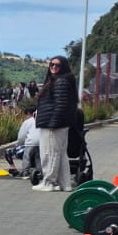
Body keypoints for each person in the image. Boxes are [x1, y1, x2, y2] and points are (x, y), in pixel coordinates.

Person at [33, 55, 77, 192]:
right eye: (51, 64)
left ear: (62, 67)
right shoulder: (62, 80)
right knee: (60, 154)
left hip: (53, 124)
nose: (53, 67)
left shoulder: (61, 82)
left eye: (57, 65)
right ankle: (66, 184)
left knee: (50, 153)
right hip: (58, 123)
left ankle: (49, 182)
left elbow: (61, 105)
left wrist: (53, 123)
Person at [5, 100, 40, 179]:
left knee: (26, 156)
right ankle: (39, 171)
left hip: (30, 142)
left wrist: (18, 145)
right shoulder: (40, 119)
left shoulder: (27, 122)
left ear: (28, 113)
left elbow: (21, 136)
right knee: (38, 157)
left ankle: (25, 172)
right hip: (41, 142)